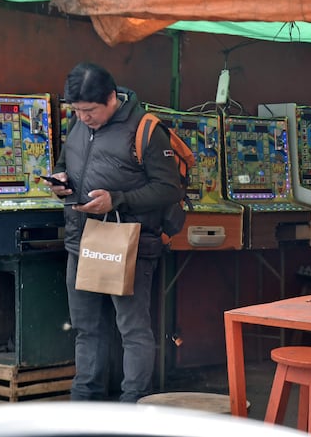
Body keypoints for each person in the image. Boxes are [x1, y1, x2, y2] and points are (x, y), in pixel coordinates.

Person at [45, 62, 183, 402]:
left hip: (128, 243)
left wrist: (117, 200)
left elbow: (169, 189)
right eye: (76, 111)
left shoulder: (146, 129)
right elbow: (66, 165)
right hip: (82, 241)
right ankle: (84, 403)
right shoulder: (78, 125)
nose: (82, 118)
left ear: (111, 98)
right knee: (85, 329)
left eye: (89, 110)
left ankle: (133, 405)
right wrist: (61, 182)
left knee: (133, 330)